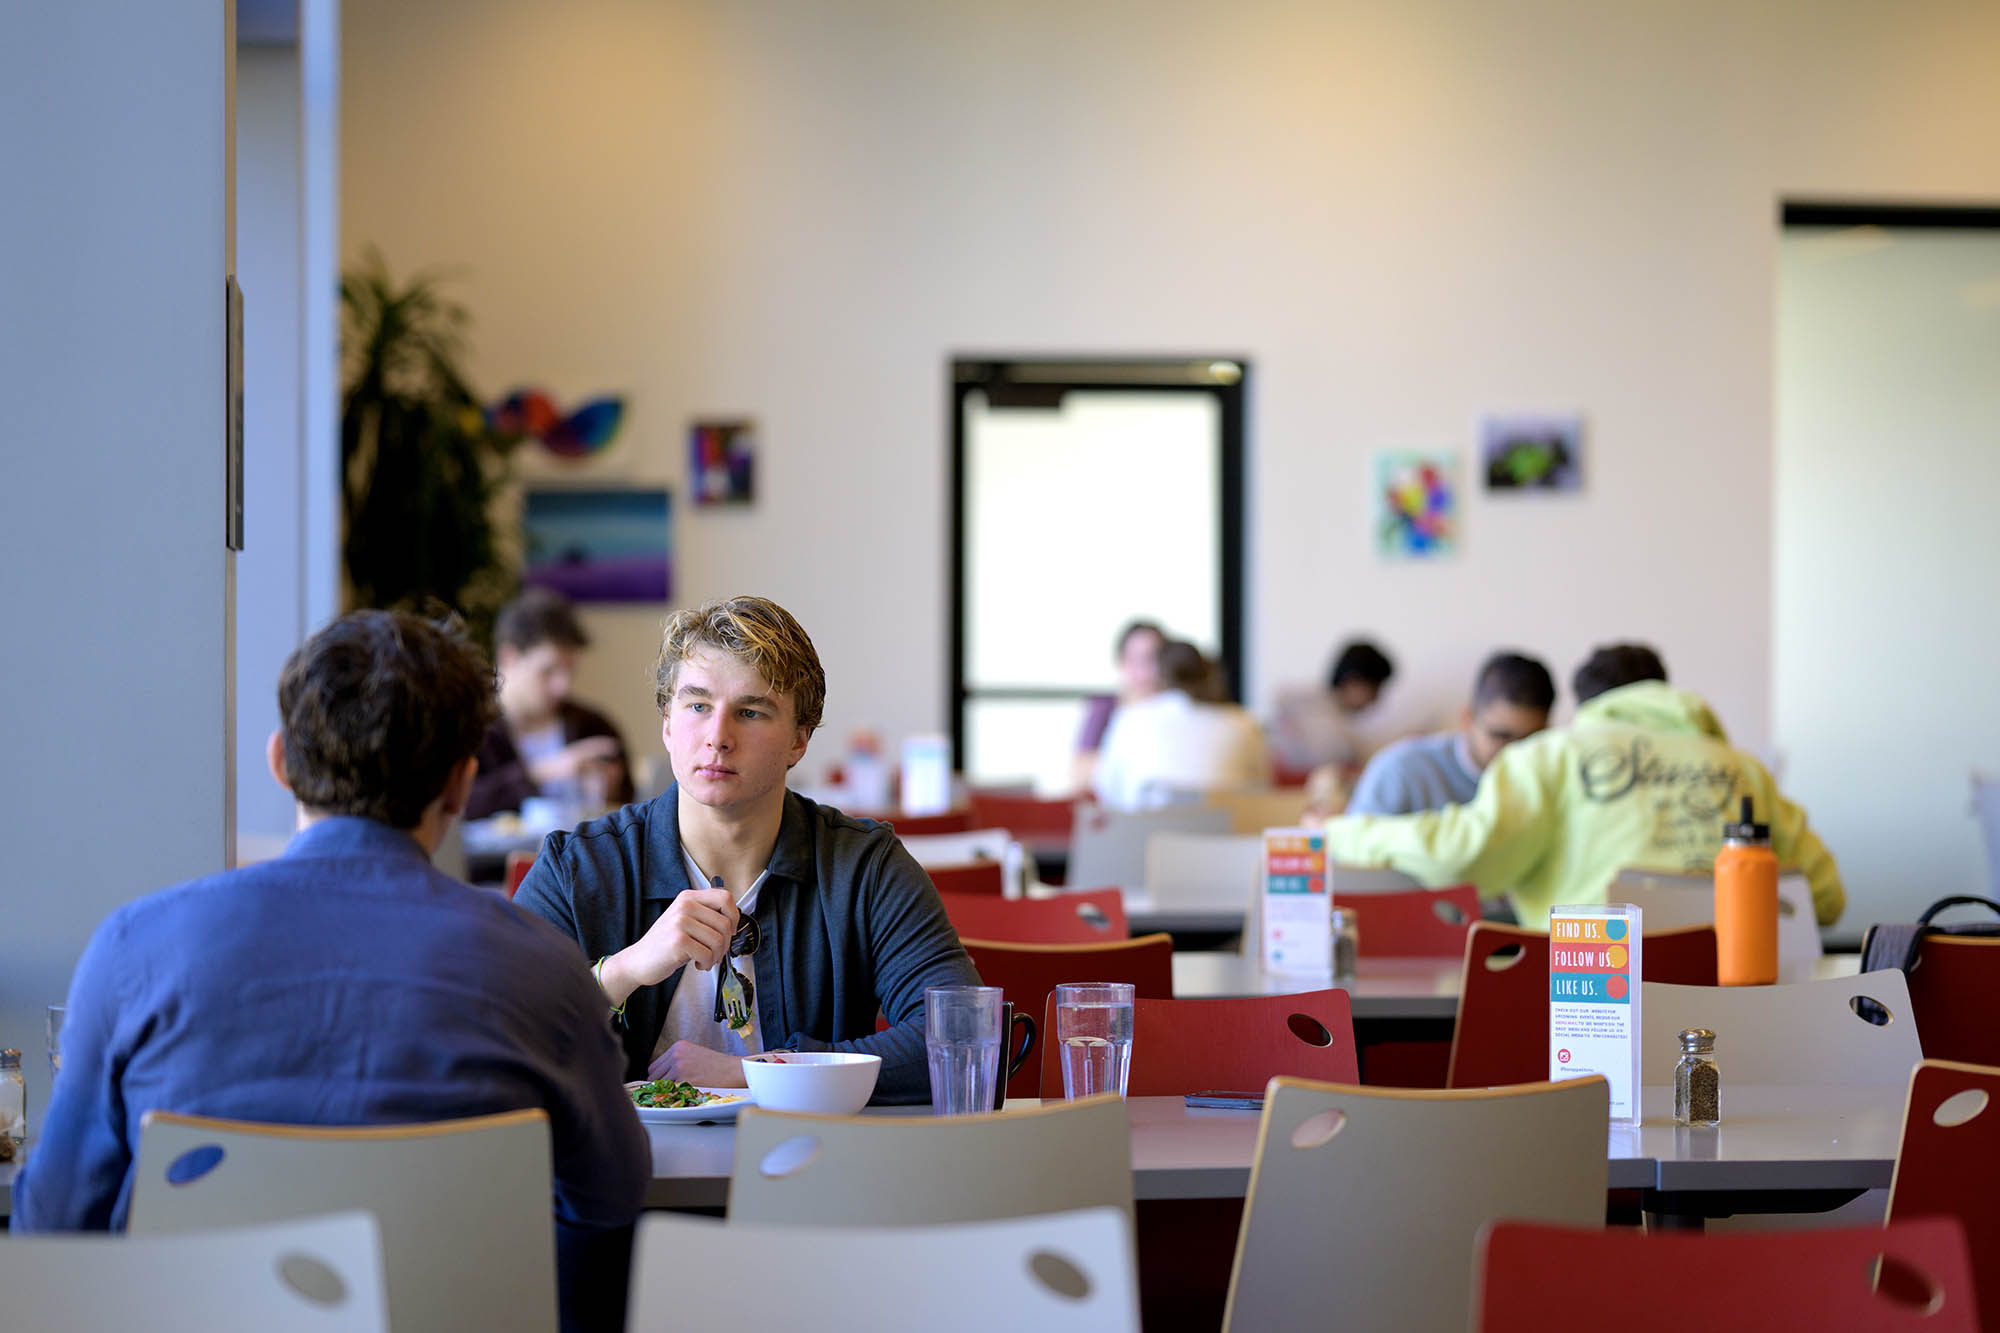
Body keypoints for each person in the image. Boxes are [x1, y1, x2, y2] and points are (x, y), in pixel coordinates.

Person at [11, 611, 647, 1333]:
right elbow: (612, 1199)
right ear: (461, 784)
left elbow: (53, 1224)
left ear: (280, 761)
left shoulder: (135, 949)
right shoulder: (541, 967)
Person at [513, 595, 980, 1103]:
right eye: (697, 706)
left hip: (811, 1168)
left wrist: (761, 1071)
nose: (717, 737)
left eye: (751, 712)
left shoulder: (864, 867)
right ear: (667, 725)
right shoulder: (578, 867)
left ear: (800, 740)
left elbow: (962, 1034)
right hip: (622, 1176)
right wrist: (625, 970)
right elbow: (491, 1031)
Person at [1324, 642, 1845, 929]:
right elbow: (1825, 898)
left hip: (1594, 996)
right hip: (1733, 1009)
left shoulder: (1551, 757)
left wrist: (1346, 833)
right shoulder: (1742, 768)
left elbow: (1464, 856)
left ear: (1586, 707)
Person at [467, 586, 634, 820]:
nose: (562, 686)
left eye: (569, 672)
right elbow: (457, 805)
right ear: (509, 657)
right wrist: (542, 773)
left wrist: (608, 793)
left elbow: (629, 813)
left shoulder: (594, 727)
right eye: (548, 671)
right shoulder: (470, 728)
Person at [1345, 651, 1556, 816]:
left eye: (1529, 739)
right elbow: (1349, 855)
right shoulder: (1401, 770)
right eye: (1500, 736)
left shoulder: (1553, 782)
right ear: (1468, 719)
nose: (1513, 752)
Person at [1091, 639, 1271, 810]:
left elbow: (1108, 793)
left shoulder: (1130, 719)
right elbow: (1261, 789)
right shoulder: (1245, 723)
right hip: (1228, 838)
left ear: (1159, 675)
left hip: (1147, 836)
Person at [1269, 637, 1397, 772]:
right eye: (1375, 689)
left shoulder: (1336, 716)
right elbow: (1333, 758)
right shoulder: (1311, 709)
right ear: (1353, 680)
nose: (1375, 699)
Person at [1072, 618, 1166, 791]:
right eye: (1136, 659)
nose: (1145, 671)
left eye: (1152, 660)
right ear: (1121, 662)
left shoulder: (1177, 714)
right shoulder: (1104, 709)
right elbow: (1079, 775)